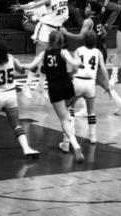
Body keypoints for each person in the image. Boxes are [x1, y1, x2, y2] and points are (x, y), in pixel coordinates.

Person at [11, 0, 91, 93]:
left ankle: (40, 86)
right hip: (44, 29)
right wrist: (21, 7)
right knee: (38, 59)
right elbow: (35, 4)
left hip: (56, 31)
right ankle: (27, 86)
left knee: (48, 59)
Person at [23, 30, 84, 162]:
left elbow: (30, 66)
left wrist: (16, 64)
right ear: (61, 41)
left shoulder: (43, 54)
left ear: (49, 41)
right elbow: (74, 64)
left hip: (54, 88)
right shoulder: (64, 52)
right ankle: (66, 142)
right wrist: (79, 62)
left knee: (63, 119)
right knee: (68, 113)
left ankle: (75, 144)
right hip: (67, 86)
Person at [61, 1, 121, 115]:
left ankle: (86, 109)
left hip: (93, 52)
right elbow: (104, 33)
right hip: (101, 51)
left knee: (82, 77)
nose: (85, 8)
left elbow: (81, 36)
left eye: (88, 7)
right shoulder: (97, 20)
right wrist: (97, 38)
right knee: (97, 80)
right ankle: (118, 101)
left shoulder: (88, 21)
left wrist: (66, 33)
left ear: (93, 11)